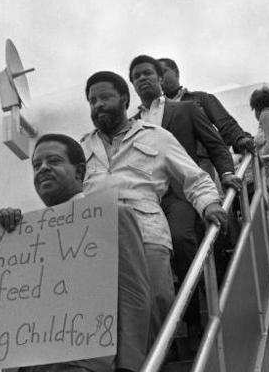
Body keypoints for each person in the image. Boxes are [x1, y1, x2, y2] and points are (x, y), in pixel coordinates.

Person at [0, 133, 152, 372]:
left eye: (53, 161)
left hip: (79, 359)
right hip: (20, 370)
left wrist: (130, 370)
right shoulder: (20, 231)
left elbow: (135, 295)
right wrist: (3, 239)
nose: (42, 169)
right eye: (36, 165)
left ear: (79, 170)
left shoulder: (112, 217)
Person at [81, 70, 227, 342]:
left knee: (154, 308)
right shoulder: (82, 147)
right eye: (92, 101)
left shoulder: (156, 137)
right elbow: (66, 197)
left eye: (104, 97)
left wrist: (209, 205)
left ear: (124, 99)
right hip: (95, 243)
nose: (98, 104)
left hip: (145, 235)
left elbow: (194, 178)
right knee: (103, 318)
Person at [129, 54, 241, 284]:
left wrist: (227, 172)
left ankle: (203, 297)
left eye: (147, 73)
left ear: (160, 77)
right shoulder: (131, 125)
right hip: (148, 199)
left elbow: (215, 145)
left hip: (183, 191)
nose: (142, 79)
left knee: (180, 238)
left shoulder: (186, 109)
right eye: (136, 76)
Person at [158, 57, 255, 154]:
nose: (160, 77)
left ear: (176, 73)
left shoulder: (201, 98)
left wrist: (239, 138)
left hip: (201, 162)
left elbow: (225, 122)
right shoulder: (156, 108)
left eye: (163, 72)